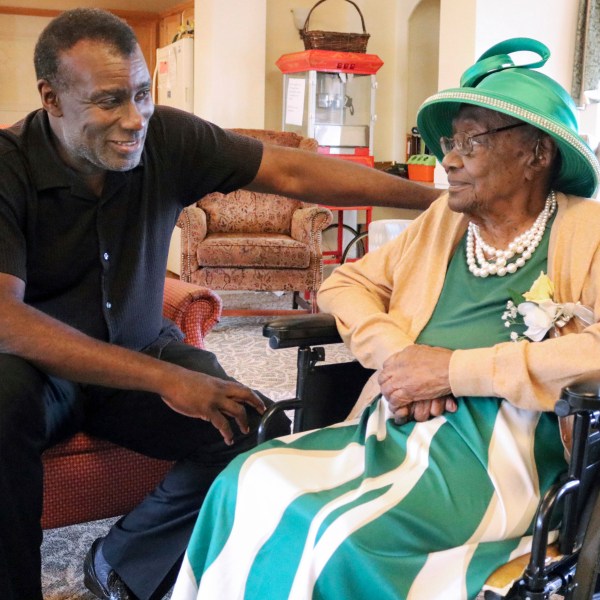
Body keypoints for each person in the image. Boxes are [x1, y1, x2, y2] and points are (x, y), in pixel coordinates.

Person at [0, 8, 441, 600]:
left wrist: (442, 201)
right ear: (51, 98)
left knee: (252, 425)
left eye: (141, 94)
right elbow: (7, 322)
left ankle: (121, 559)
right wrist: (165, 379)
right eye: (108, 102)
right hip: (38, 371)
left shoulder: (170, 138)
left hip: (137, 345)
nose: (134, 119)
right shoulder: (7, 166)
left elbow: (291, 172)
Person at [170, 38, 600, 600]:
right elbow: (347, 282)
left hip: (505, 454)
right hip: (397, 421)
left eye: (472, 139)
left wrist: (453, 370)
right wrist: (398, 356)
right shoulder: (442, 225)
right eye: (450, 140)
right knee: (244, 480)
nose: (447, 158)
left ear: (536, 155)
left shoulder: (585, 231)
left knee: (338, 532)